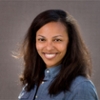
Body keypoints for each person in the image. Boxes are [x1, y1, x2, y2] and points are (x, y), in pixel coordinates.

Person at [18, 9, 99, 100]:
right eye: (42, 39)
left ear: (70, 42)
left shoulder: (81, 88)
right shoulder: (32, 82)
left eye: (57, 40)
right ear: (34, 42)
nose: (48, 48)